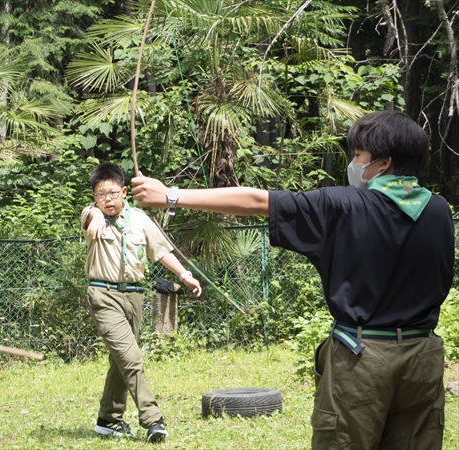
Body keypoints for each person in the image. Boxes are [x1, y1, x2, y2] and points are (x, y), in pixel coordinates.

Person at [131, 110, 454, 450]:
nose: (354, 163)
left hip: (363, 357)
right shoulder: (439, 211)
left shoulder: (342, 205)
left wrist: (170, 195)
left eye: (359, 155)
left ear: (383, 163)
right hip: (423, 356)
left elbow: (256, 200)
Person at [82, 162, 202, 443]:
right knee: (132, 358)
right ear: (94, 197)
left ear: (124, 191)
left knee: (121, 359)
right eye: (101, 195)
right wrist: (95, 215)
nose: (107, 200)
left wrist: (184, 275)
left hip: (134, 296)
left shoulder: (140, 219)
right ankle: (153, 420)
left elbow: (160, 251)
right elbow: (89, 219)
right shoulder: (92, 213)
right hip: (103, 295)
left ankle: (107, 420)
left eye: (112, 193)